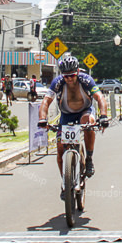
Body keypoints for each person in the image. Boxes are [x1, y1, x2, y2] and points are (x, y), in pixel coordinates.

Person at [38, 55, 109, 184]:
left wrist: (103, 116)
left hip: (84, 111)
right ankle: (65, 183)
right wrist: (42, 119)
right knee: (60, 151)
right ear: (62, 75)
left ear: (77, 72)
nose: (69, 79)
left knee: (88, 121)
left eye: (72, 75)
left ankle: (89, 159)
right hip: (66, 115)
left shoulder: (86, 80)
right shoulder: (58, 82)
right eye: (66, 76)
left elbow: (100, 98)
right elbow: (46, 101)